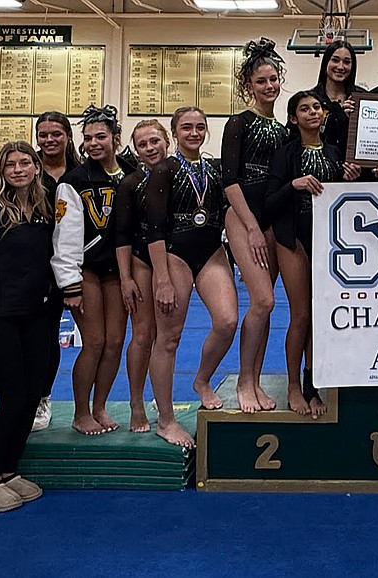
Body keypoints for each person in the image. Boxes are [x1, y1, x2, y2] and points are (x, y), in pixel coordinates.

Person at [0, 141, 56, 513]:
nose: (18, 169)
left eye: (25, 163)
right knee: (13, 398)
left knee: (32, 397)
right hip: (1, 318)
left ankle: (10, 471)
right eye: (10, 165)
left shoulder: (46, 210)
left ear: (36, 168)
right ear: (1, 171)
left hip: (39, 315)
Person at [145, 107, 238, 448]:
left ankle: (202, 380)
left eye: (200, 126)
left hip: (211, 252)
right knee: (168, 339)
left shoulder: (213, 169)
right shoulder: (163, 170)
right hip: (174, 254)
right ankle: (166, 420)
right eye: (186, 127)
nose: (194, 132)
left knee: (227, 321)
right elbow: (154, 229)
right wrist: (162, 279)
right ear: (175, 132)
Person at [266, 90, 362, 417]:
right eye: (304, 109)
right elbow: (269, 202)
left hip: (330, 241)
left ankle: (313, 384)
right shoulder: (284, 154)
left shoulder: (336, 153)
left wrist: (352, 178)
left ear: (323, 114)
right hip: (294, 238)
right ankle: (293, 385)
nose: (311, 112)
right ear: (293, 118)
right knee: (301, 314)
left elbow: (347, 201)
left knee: (322, 317)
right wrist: (293, 184)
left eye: (316, 107)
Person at [52, 105, 134, 435]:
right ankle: (80, 411)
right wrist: (69, 283)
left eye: (101, 136)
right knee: (95, 342)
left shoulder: (132, 173)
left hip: (119, 270)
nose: (93, 143)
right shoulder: (74, 180)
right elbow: (64, 234)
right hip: (87, 269)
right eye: (87, 139)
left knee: (115, 342)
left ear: (116, 138)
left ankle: (100, 406)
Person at [221, 38, 290, 413]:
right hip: (242, 217)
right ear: (249, 85)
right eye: (261, 81)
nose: (269, 87)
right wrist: (248, 226)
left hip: (272, 221)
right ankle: (245, 380)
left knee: (266, 307)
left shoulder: (282, 130)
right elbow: (230, 180)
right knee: (262, 300)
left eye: (273, 80)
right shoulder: (238, 123)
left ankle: (258, 379)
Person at [114, 119, 171, 433]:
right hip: (141, 259)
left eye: (154, 141)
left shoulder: (179, 174)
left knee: (168, 337)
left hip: (174, 260)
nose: (150, 149)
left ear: (166, 140)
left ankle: (163, 400)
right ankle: (136, 402)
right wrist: (126, 278)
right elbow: (122, 235)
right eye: (142, 144)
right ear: (135, 150)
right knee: (144, 333)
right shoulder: (131, 183)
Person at [32, 110, 82, 431]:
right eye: (43, 134)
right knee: (39, 337)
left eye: (56, 133)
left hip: (76, 265)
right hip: (35, 266)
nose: (49, 139)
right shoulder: (26, 168)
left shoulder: (82, 172)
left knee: (92, 339)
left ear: (67, 136)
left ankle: (85, 405)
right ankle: (35, 397)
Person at [311, 40, 359, 154]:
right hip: (318, 168)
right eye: (335, 60)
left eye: (347, 62)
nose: (340, 67)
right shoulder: (310, 99)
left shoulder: (361, 100)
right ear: (326, 62)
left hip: (354, 169)